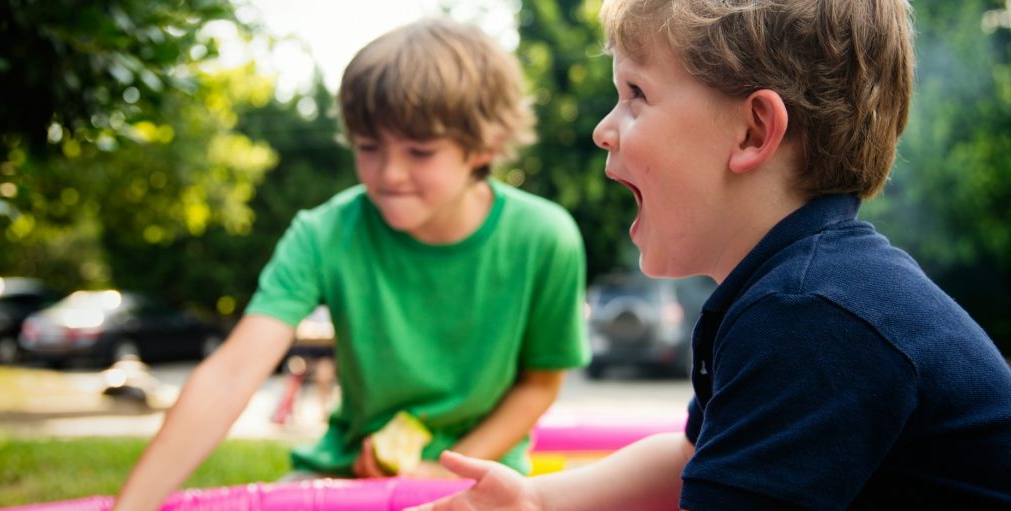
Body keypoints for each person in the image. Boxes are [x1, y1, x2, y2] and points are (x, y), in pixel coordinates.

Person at [408, 0, 1011, 510]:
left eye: (635, 93)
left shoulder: (812, 316)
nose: (602, 128)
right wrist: (540, 501)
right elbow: (691, 457)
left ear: (752, 132)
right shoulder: (795, 289)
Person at [113, 17, 590, 510]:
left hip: (483, 479)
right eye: (368, 147)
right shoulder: (323, 233)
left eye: (420, 151)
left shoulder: (545, 238)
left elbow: (538, 384)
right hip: (345, 475)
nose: (389, 173)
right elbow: (233, 373)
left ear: (483, 148)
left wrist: (439, 470)